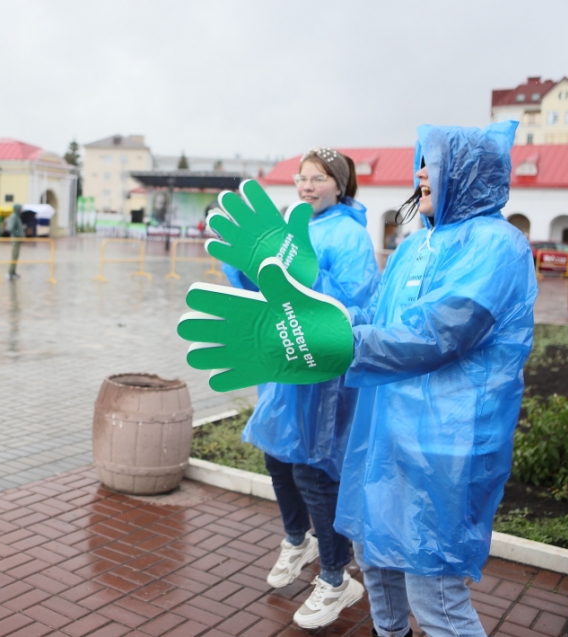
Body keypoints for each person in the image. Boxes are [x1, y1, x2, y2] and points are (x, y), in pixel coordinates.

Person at [334, 122, 537, 637]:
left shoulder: (498, 245)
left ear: (468, 175)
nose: (421, 173)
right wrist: (318, 325)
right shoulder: (412, 246)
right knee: (375, 560)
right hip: (385, 433)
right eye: (420, 161)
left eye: (435, 163)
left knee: (435, 595)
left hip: (448, 444)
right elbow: (378, 319)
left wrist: (345, 345)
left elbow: (441, 331)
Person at [224, 149, 379, 630]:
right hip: (284, 363)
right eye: (302, 177)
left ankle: (336, 578)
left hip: (321, 372)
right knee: (276, 455)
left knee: (314, 471)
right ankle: (298, 539)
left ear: (340, 185)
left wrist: (306, 270)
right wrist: (246, 260)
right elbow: (263, 289)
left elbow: (354, 307)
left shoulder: (350, 235)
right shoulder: (296, 226)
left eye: (319, 178)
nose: (307, 185)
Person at [6, 203, 25, 279]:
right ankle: (10, 272)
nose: (21, 210)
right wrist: (18, 233)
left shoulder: (17, 217)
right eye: (20, 209)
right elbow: (11, 228)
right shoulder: (14, 217)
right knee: (14, 255)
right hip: (15, 239)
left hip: (18, 239)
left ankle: (13, 272)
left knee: (16, 256)